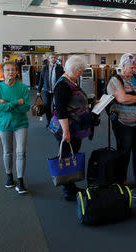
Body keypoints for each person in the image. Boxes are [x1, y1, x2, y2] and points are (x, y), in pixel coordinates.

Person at [49, 55, 92, 201]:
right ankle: (68, 190)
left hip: (75, 126)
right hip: (66, 128)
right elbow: (60, 111)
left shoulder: (71, 80)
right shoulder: (63, 85)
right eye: (80, 70)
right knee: (67, 157)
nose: (81, 73)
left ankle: (71, 186)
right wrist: (66, 132)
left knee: (72, 154)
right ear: (73, 69)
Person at [107, 53, 136, 184]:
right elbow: (122, 98)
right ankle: (121, 178)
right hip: (122, 122)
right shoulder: (115, 80)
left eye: (135, 67)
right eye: (132, 67)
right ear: (123, 66)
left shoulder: (135, 77)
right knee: (124, 150)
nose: (134, 70)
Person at [0, 61, 31, 194]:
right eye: (8, 70)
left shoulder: (23, 88)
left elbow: (25, 107)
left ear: (16, 71)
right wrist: (15, 102)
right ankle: (9, 175)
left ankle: (20, 180)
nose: (11, 72)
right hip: (4, 124)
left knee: (21, 152)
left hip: (21, 123)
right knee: (8, 151)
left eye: (13, 70)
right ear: (3, 72)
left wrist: (7, 103)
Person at [37, 53, 64, 125]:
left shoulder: (60, 68)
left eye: (54, 57)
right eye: (52, 57)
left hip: (56, 91)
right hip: (47, 90)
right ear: (49, 59)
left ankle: (57, 122)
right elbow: (41, 79)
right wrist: (38, 90)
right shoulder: (45, 68)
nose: (53, 59)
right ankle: (49, 122)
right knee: (47, 106)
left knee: (57, 106)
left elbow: (63, 79)